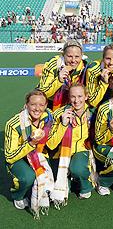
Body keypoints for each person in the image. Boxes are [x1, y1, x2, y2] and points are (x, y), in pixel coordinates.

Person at [4, 90, 54, 218]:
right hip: (18, 157)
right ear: (26, 105)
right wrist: (31, 144)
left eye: (41, 105)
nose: (37, 109)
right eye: (33, 104)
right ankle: (18, 196)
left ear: (46, 105)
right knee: (27, 177)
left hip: (39, 155)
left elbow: (52, 144)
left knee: (47, 174)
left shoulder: (48, 117)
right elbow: (9, 157)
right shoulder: (13, 124)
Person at [48, 84, 96, 205]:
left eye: (80, 96)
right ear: (69, 98)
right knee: (58, 189)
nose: (76, 100)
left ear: (86, 97)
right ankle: (70, 179)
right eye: (73, 97)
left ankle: (86, 185)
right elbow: (51, 144)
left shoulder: (92, 112)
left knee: (78, 169)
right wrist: (63, 125)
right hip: (62, 153)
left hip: (81, 149)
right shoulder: (60, 113)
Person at [38, 40, 89, 110]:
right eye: (69, 56)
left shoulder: (86, 65)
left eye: (77, 56)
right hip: (51, 103)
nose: (73, 60)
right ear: (63, 54)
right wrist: (59, 80)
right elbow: (43, 93)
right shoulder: (53, 64)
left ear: (82, 55)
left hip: (75, 102)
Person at [86, 43, 113, 108]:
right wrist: (103, 83)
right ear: (103, 59)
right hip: (95, 108)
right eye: (108, 59)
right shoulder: (93, 70)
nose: (111, 63)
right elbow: (92, 102)